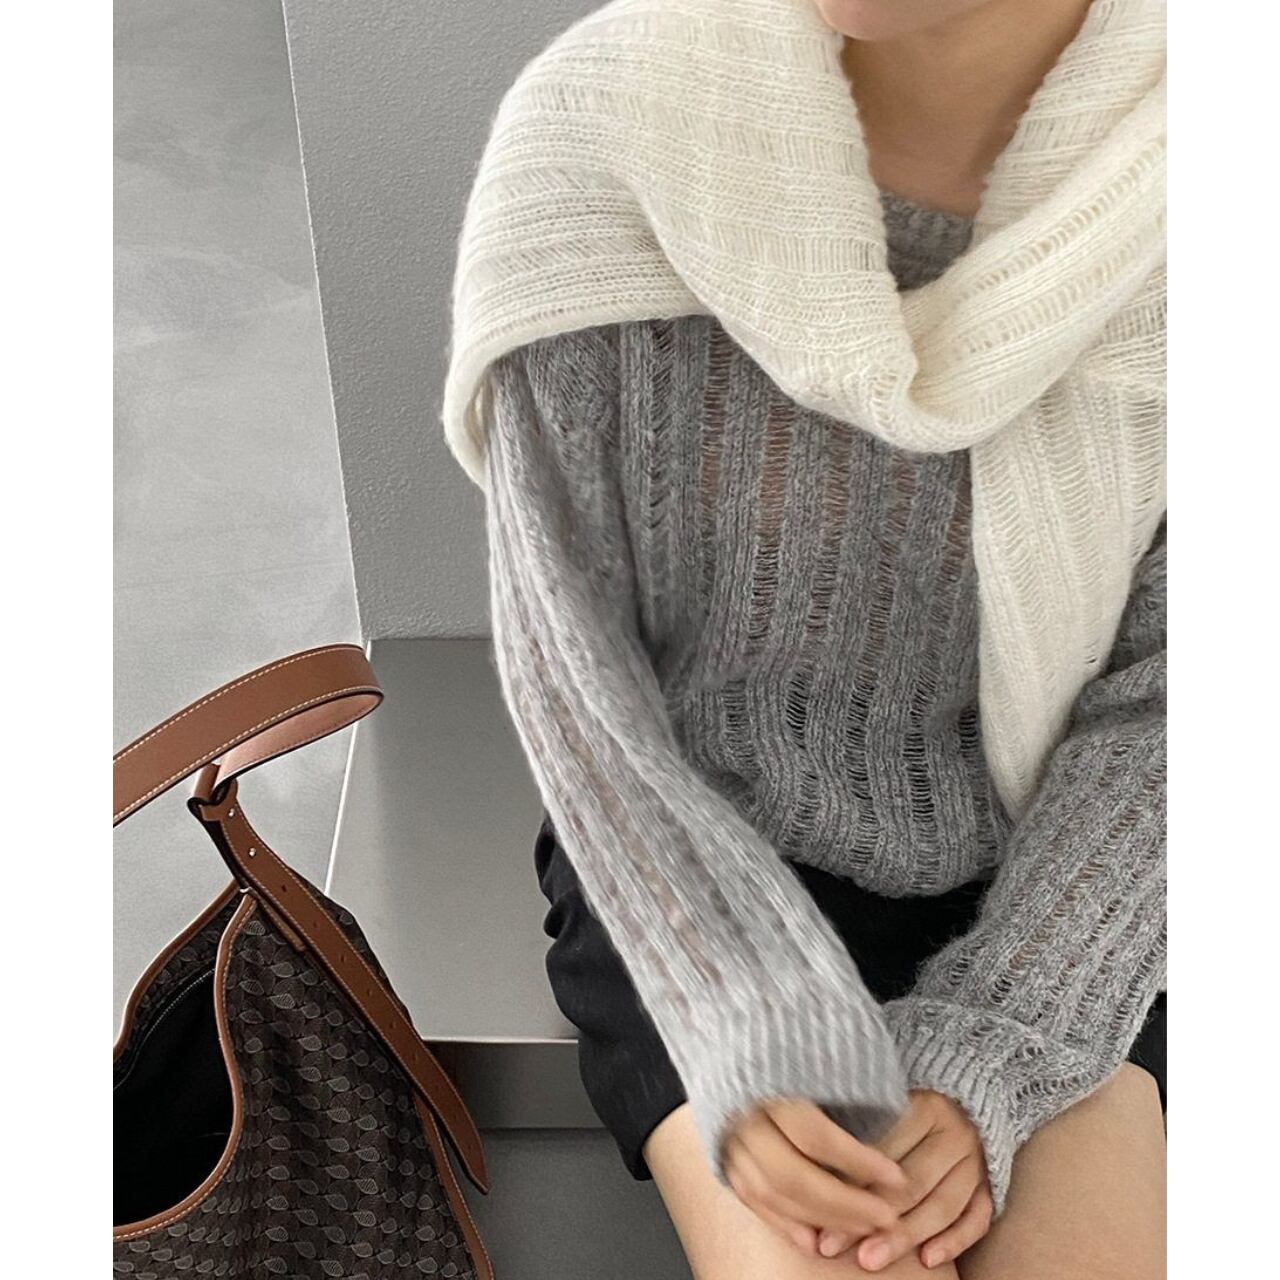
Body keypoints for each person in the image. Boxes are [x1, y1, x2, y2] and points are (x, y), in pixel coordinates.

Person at [442, 1, 1166, 1276]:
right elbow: (578, 681)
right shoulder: (608, 132)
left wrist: (1007, 1029)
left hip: (1084, 876)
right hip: (695, 868)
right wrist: (747, 1016)